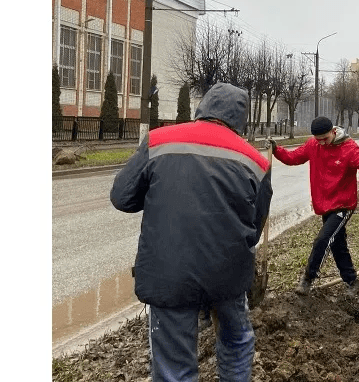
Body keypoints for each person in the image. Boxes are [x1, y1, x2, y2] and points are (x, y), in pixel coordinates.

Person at [110, 82, 272, 382]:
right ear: (241, 118)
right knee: (237, 341)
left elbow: (122, 197)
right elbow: (255, 224)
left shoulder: (158, 141)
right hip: (228, 273)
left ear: (202, 107)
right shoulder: (256, 161)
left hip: (169, 273)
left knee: (175, 366)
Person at [269, 115, 359, 296]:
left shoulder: (348, 147)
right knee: (338, 244)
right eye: (319, 140)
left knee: (323, 240)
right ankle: (352, 282)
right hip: (325, 205)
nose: (322, 143)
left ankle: (308, 278)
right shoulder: (313, 145)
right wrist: (276, 150)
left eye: (325, 139)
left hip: (343, 204)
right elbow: (294, 157)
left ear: (333, 131)